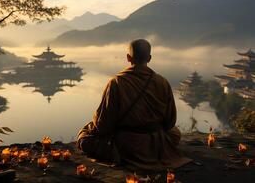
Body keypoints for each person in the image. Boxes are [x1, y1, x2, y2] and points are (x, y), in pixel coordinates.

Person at [77, 39, 190, 170]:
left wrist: (93, 125)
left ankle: (127, 153)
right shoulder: (162, 82)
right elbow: (170, 122)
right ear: (149, 58)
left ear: (128, 57)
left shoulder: (116, 82)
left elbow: (103, 125)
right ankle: (152, 150)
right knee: (174, 133)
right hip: (155, 141)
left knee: (85, 136)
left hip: (126, 144)